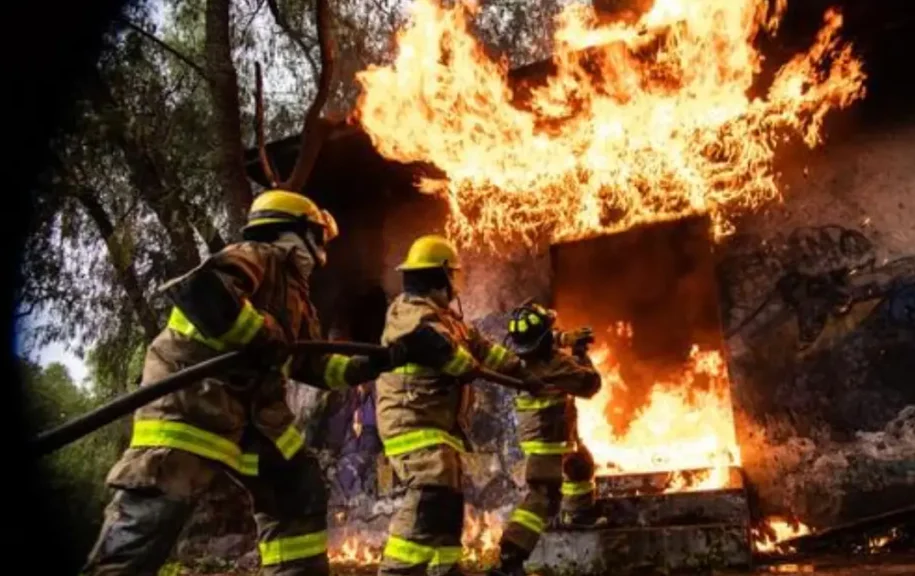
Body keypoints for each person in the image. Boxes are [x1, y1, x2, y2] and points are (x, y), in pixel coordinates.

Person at [83, 190, 385, 576]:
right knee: (157, 508)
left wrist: (369, 364)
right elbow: (205, 293)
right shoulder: (255, 255)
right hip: (194, 404)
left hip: (256, 417)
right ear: (298, 231)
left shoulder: (297, 296)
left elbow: (312, 364)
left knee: (296, 488)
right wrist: (263, 333)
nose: (323, 247)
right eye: (318, 235)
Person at [375, 234, 548, 576]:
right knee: (430, 494)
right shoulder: (408, 312)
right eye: (452, 275)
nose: (456, 284)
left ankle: (445, 569)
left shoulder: (448, 319)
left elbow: (482, 348)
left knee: (448, 502)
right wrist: (463, 364)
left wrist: (521, 369)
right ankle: (397, 570)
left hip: (438, 426)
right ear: (439, 275)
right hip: (412, 424)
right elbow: (435, 347)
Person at [488, 301, 607, 576]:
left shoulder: (517, 358)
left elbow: (540, 340)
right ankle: (510, 556)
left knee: (579, 465)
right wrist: (579, 352)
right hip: (548, 439)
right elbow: (590, 385)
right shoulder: (556, 365)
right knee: (543, 495)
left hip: (552, 433)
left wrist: (564, 338)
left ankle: (578, 513)